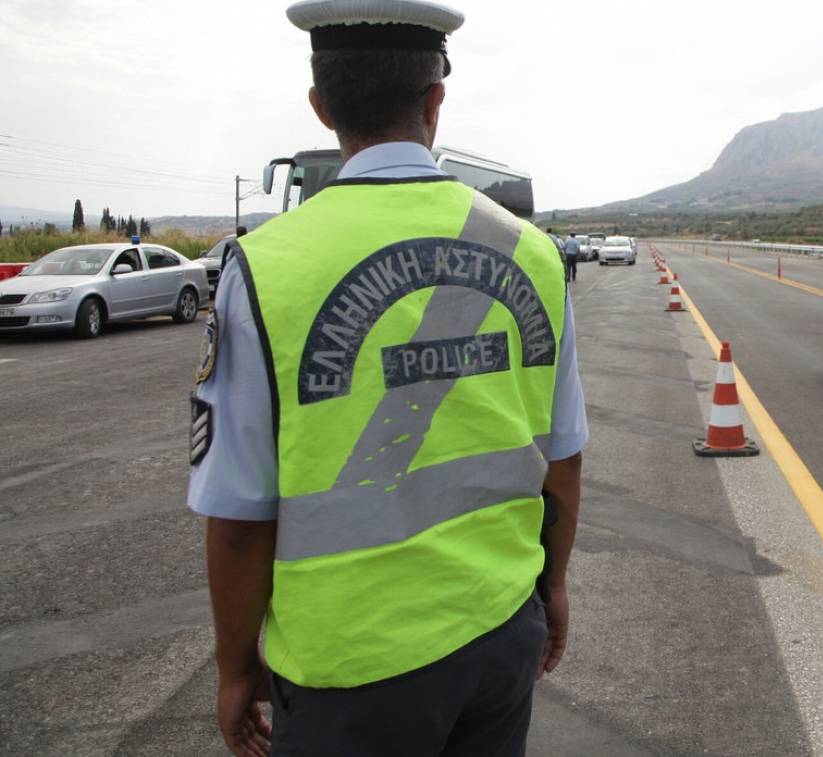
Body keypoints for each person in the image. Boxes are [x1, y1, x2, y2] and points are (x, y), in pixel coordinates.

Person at [186, 1, 587, 754]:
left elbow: (239, 520)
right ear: (436, 100)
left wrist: (235, 668)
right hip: (500, 630)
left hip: (350, 672)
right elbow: (561, 463)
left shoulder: (265, 269)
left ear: (320, 105)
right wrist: (553, 587)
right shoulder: (534, 255)